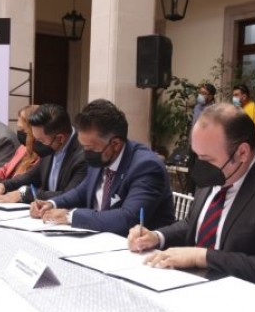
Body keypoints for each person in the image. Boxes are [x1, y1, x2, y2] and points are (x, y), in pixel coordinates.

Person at [129, 103, 255, 302]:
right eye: (197, 156)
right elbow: (194, 224)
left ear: (242, 153)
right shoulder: (219, 169)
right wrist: (157, 237)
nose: (201, 166)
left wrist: (202, 257)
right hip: (200, 290)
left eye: (207, 159)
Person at [31, 99, 175, 236]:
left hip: (137, 248)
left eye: (90, 148)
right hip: (99, 238)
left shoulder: (146, 167)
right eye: (83, 146)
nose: (85, 153)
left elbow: (128, 219)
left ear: (115, 144)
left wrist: (70, 216)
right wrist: (52, 204)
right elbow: (82, 192)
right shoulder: (102, 158)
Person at [0, 103, 86, 203]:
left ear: (60, 138)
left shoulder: (83, 155)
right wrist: (4, 185)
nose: (35, 144)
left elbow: (70, 196)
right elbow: (30, 176)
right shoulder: (52, 145)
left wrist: (27, 194)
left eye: (41, 140)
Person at [0, 105, 40, 183]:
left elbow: (25, 184)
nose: (19, 133)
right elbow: (4, 171)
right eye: (19, 129)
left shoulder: (42, 156)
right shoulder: (22, 149)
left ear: (34, 131)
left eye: (23, 130)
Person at [186, 83, 217, 194]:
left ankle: (200, 195)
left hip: (205, 147)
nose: (201, 95)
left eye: (204, 93)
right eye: (200, 92)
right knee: (191, 171)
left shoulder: (213, 110)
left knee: (201, 172)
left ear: (211, 96)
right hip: (193, 144)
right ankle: (190, 194)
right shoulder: (197, 108)